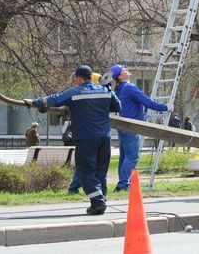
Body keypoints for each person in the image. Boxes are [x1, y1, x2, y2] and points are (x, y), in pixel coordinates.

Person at [23, 65, 121, 215]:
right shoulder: (105, 91)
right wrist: (107, 91)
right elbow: (117, 106)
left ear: (80, 78)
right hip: (105, 138)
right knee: (101, 171)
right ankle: (102, 200)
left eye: (76, 78)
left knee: (85, 170)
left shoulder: (75, 92)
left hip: (86, 138)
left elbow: (54, 99)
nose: (75, 81)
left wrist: (34, 102)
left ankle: (98, 201)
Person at [109, 64, 169, 192]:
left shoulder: (120, 89)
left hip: (123, 126)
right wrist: (165, 107)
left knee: (124, 156)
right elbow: (146, 101)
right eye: (123, 69)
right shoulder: (129, 87)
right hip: (131, 127)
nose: (126, 70)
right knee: (132, 157)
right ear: (119, 76)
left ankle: (124, 183)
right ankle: (122, 185)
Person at [64, 72, 102, 195]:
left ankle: (79, 188)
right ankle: (74, 188)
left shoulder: (91, 93)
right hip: (89, 134)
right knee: (86, 164)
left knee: (88, 164)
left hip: (90, 133)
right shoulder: (90, 93)